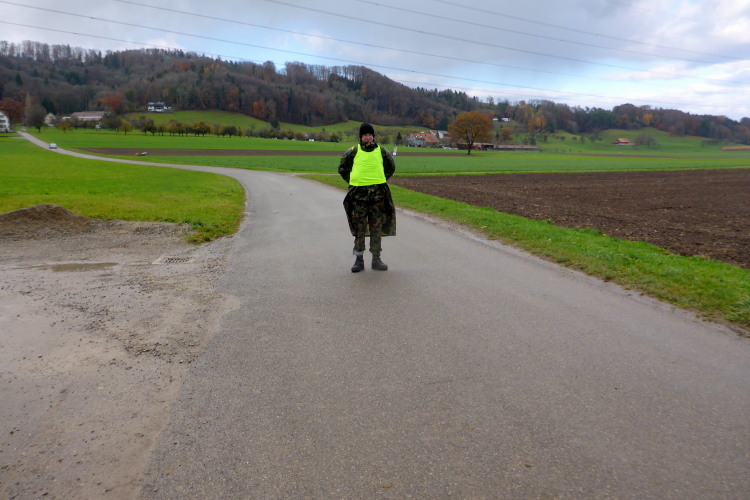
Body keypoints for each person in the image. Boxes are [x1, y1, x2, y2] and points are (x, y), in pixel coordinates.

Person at [338, 123, 397, 273]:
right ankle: (359, 260)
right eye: (365, 135)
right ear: (361, 137)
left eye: (370, 135)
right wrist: (353, 181)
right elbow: (342, 168)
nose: (368, 137)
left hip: (378, 197)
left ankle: (376, 259)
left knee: (376, 228)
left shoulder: (382, 151)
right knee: (360, 228)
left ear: (373, 136)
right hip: (359, 198)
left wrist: (380, 179)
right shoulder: (352, 151)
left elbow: (391, 167)